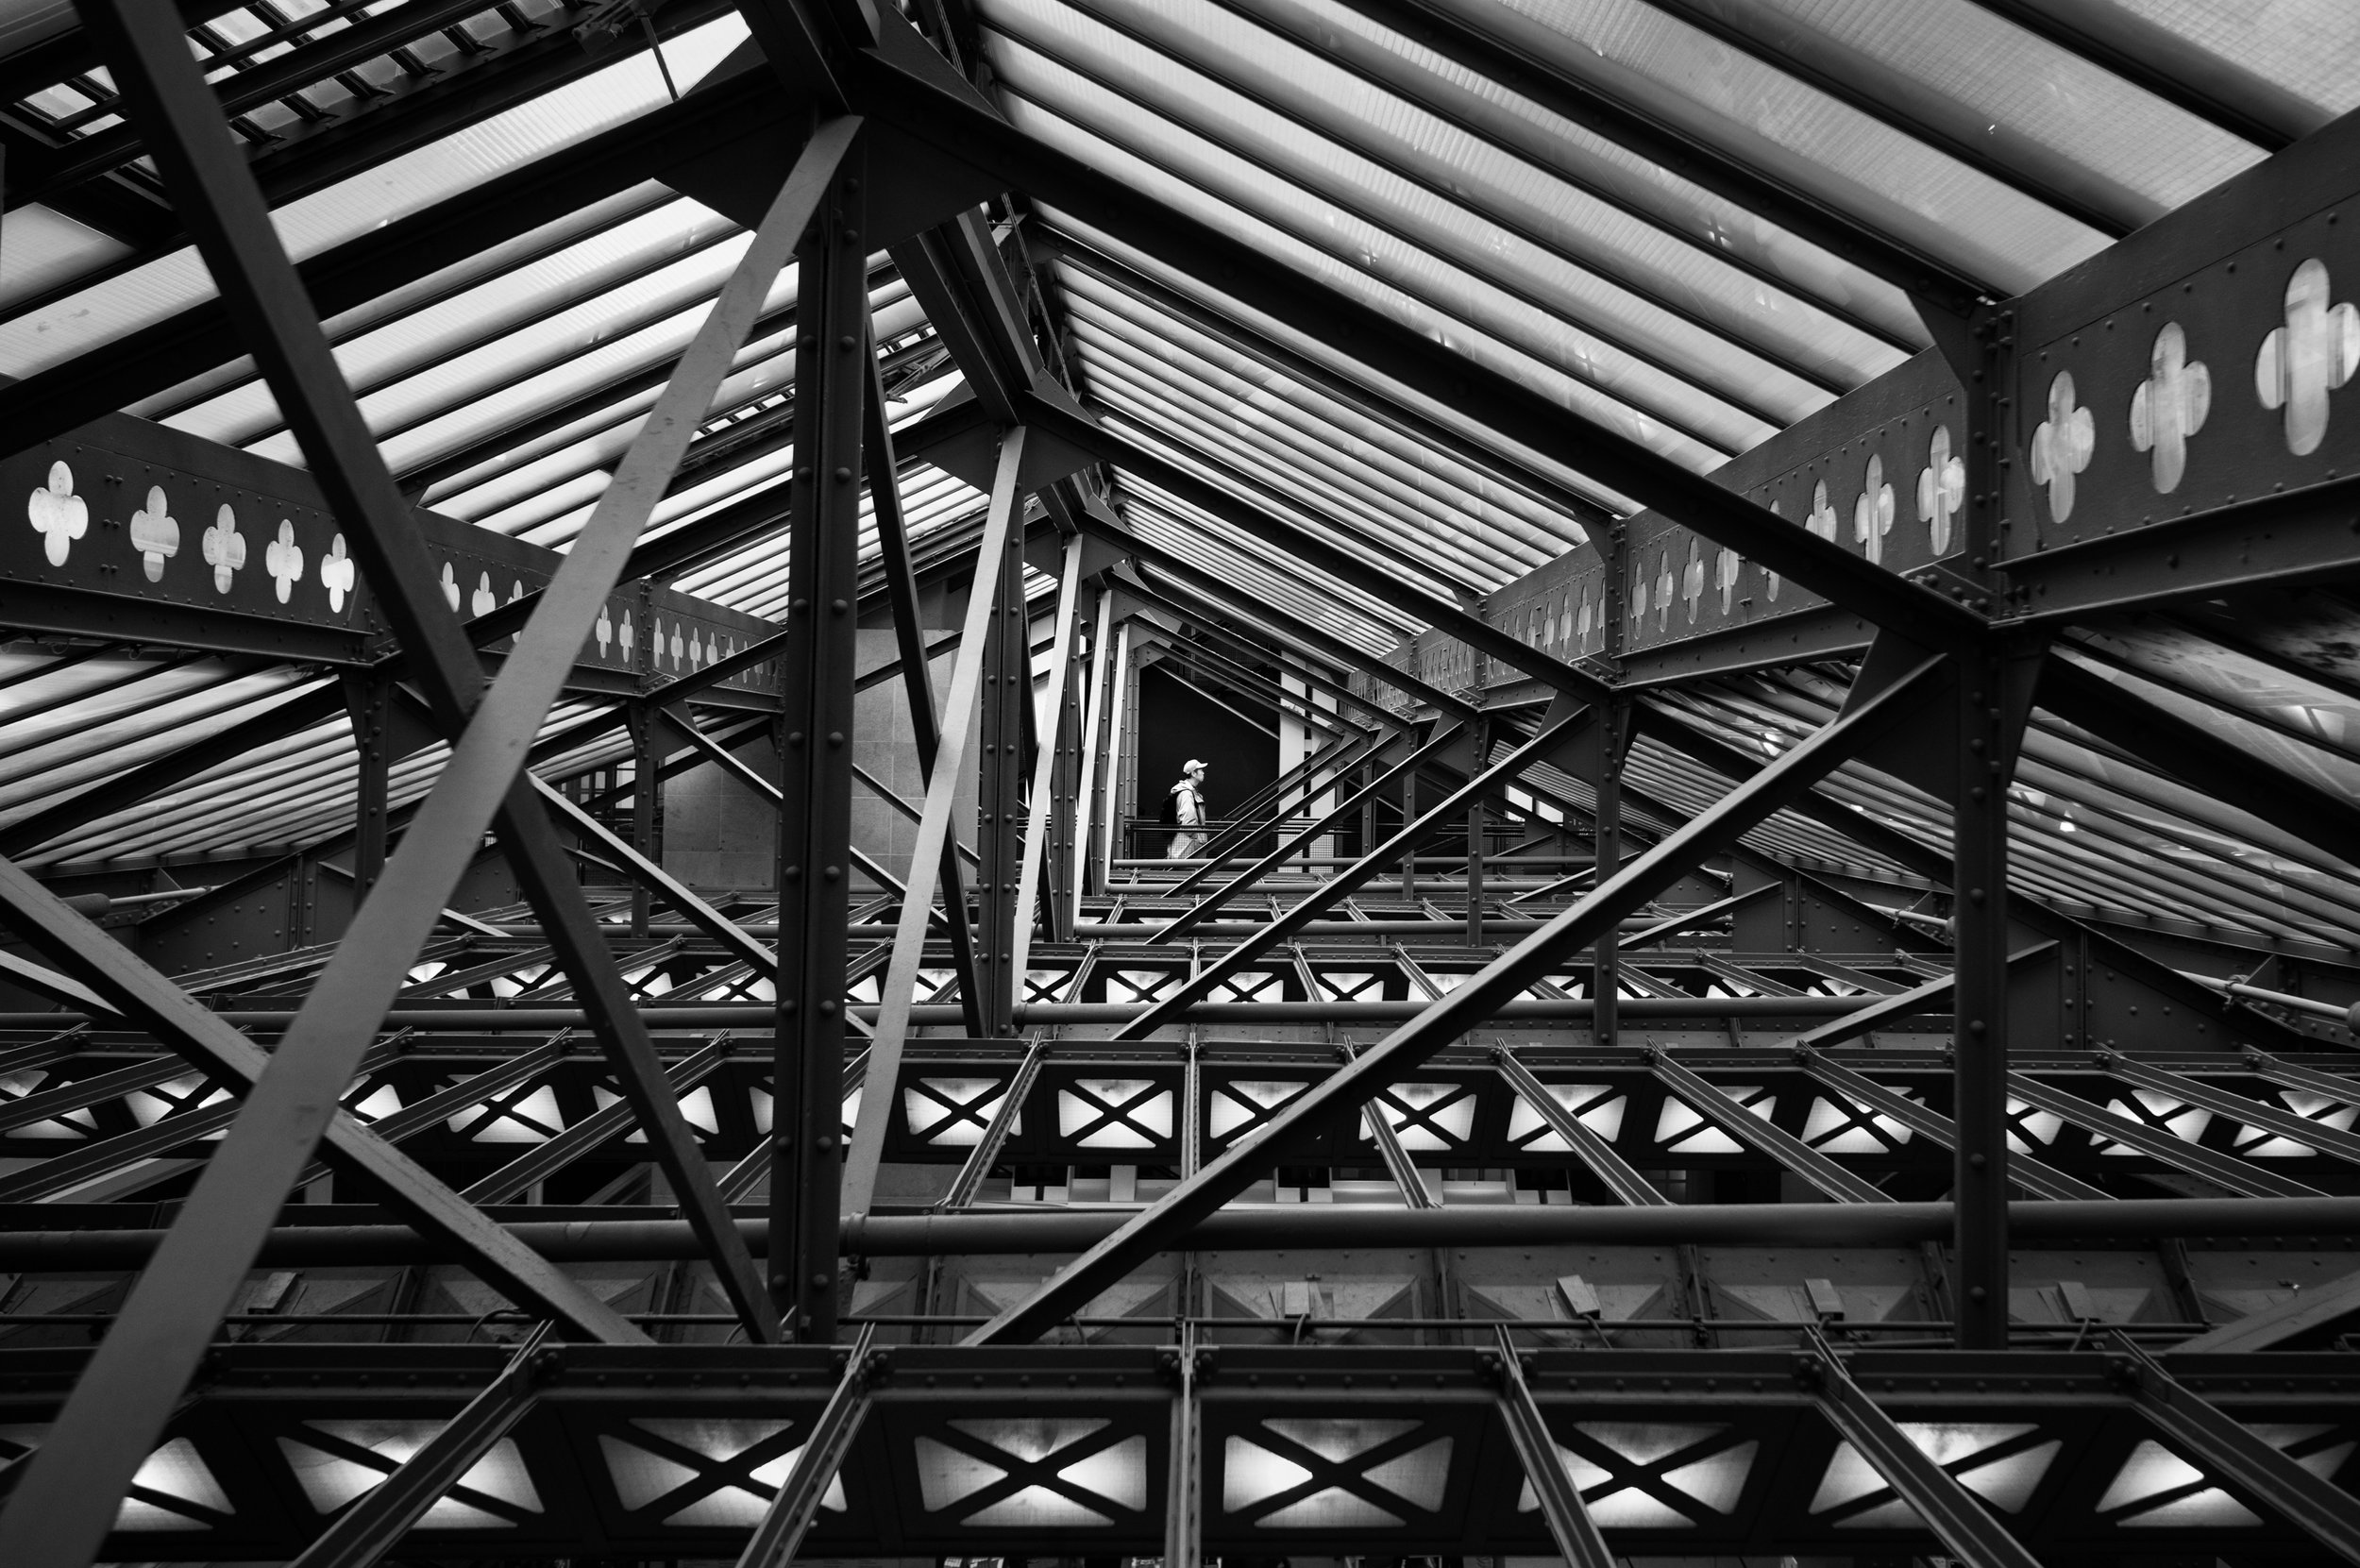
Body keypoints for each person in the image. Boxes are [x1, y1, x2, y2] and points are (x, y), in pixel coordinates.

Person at [1168, 758, 1209, 857]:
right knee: (1191, 871)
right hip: (1190, 846)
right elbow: (1189, 822)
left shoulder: (1187, 791)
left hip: (1186, 844)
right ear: (1194, 774)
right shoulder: (1187, 793)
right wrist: (1198, 838)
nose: (1203, 773)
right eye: (1201, 770)